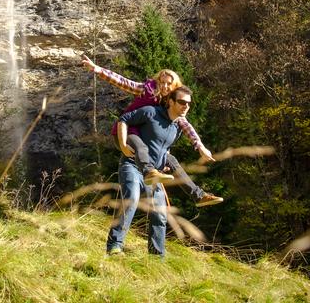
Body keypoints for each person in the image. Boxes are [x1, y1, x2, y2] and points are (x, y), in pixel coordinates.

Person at [81, 55, 223, 207]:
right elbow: (123, 82)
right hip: (127, 130)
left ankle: (198, 196)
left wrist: (200, 146)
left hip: (143, 137)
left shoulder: (171, 104)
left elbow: (186, 125)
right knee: (141, 146)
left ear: (175, 86)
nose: (165, 86)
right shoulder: (146, 90)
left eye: (169, 84)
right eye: (162, 82)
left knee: (171, 160)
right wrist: (97, 69)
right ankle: (149, 172)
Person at [106, 86, 194, 257]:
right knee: (131, 200)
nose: (186, 106)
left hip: (154, 173)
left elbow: (164, 150)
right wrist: (123, 144)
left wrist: (163, 165)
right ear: (170, 101)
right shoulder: (150, 112)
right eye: (182, 102)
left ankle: (156, 257)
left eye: (189, 104)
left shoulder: (176, 128)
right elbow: (123, 119)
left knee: (159, 215)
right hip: (132, 165)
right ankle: (115, 246)